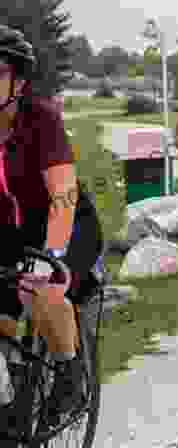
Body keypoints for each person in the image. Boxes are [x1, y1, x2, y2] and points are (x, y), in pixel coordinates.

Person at [0, 25, 85, 418]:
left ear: (17, 80)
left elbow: (63, 196)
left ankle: (69, 374)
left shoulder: (41, 120)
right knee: (3, 319)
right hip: (10, 230)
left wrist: (50, 256)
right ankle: (16, 390)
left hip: (64, 222)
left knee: (43, 291)